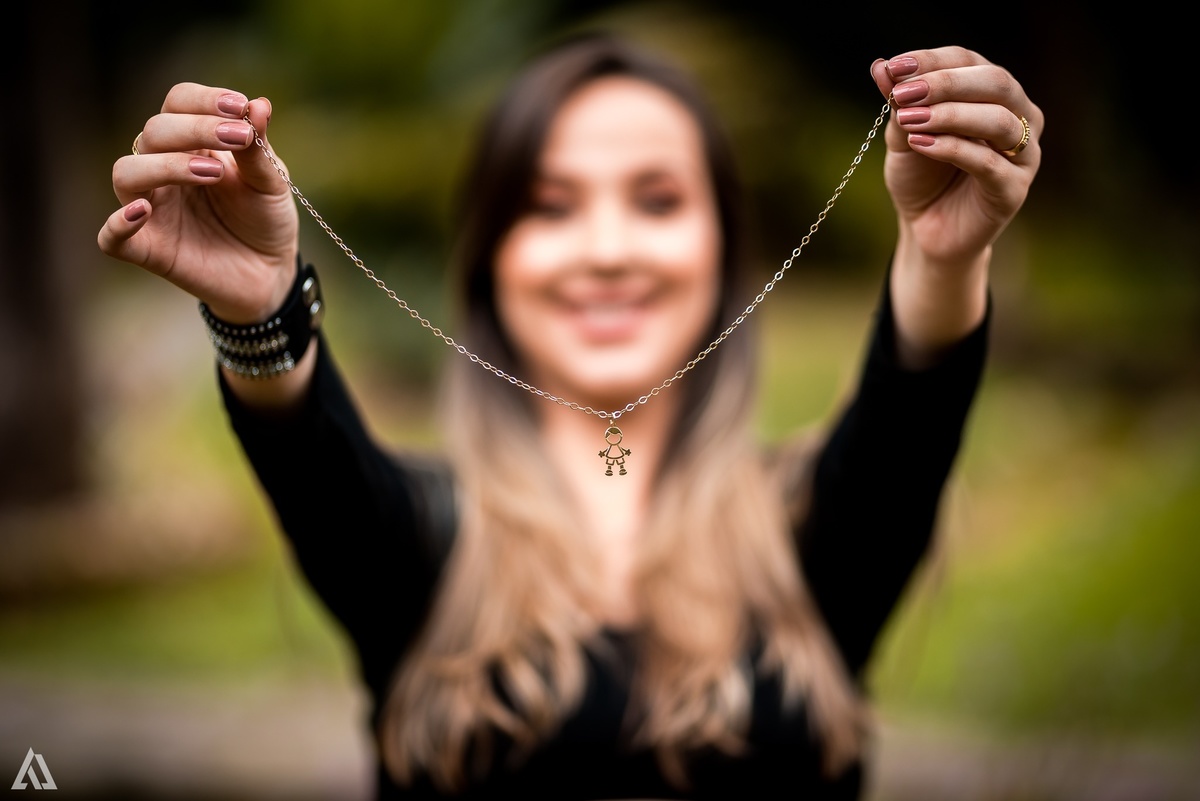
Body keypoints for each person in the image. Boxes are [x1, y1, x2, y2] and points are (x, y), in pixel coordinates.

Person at [98, 33, 1042, 801]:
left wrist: (942, 260)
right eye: (550, 207)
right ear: (492, 258)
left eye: (658, 200)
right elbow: (309, 449)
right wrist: (257, 309)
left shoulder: (811, 532)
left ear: (722, 246)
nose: (605, 249)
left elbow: (911, 414)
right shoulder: (420, 542)